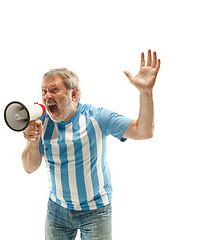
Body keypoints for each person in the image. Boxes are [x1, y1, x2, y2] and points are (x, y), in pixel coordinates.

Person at [21, 50, 161, 240]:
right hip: (57, 209)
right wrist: (33, 140)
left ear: (73, 94)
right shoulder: (41, 122)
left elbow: (144, 131)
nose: (47, 96)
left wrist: (146, 92)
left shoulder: (97, 117)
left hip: (96, 211)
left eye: (54, 90)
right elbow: (29, 168)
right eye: (44, 91)